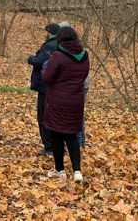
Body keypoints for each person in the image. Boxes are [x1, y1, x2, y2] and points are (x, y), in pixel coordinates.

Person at [41, 26, 90, 183]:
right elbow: (82, 76)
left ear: (60, 39)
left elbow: (47, 78)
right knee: (72, 135)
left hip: (57, 101)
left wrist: (44, 67)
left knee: (56, 134)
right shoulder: (85, 55)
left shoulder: (57, 55)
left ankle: (60, 170)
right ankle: (77, 171)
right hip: (76, 101)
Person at [27, 23, 59, 156]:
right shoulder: (57, 44)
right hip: (51, 87)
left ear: (50, 33)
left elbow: (39, 61)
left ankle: (49, 147)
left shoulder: (50, 46)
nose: (44, 34)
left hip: (45, 87)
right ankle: (54, 146)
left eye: (46, 31)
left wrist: (31, 58)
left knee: (44, 117)